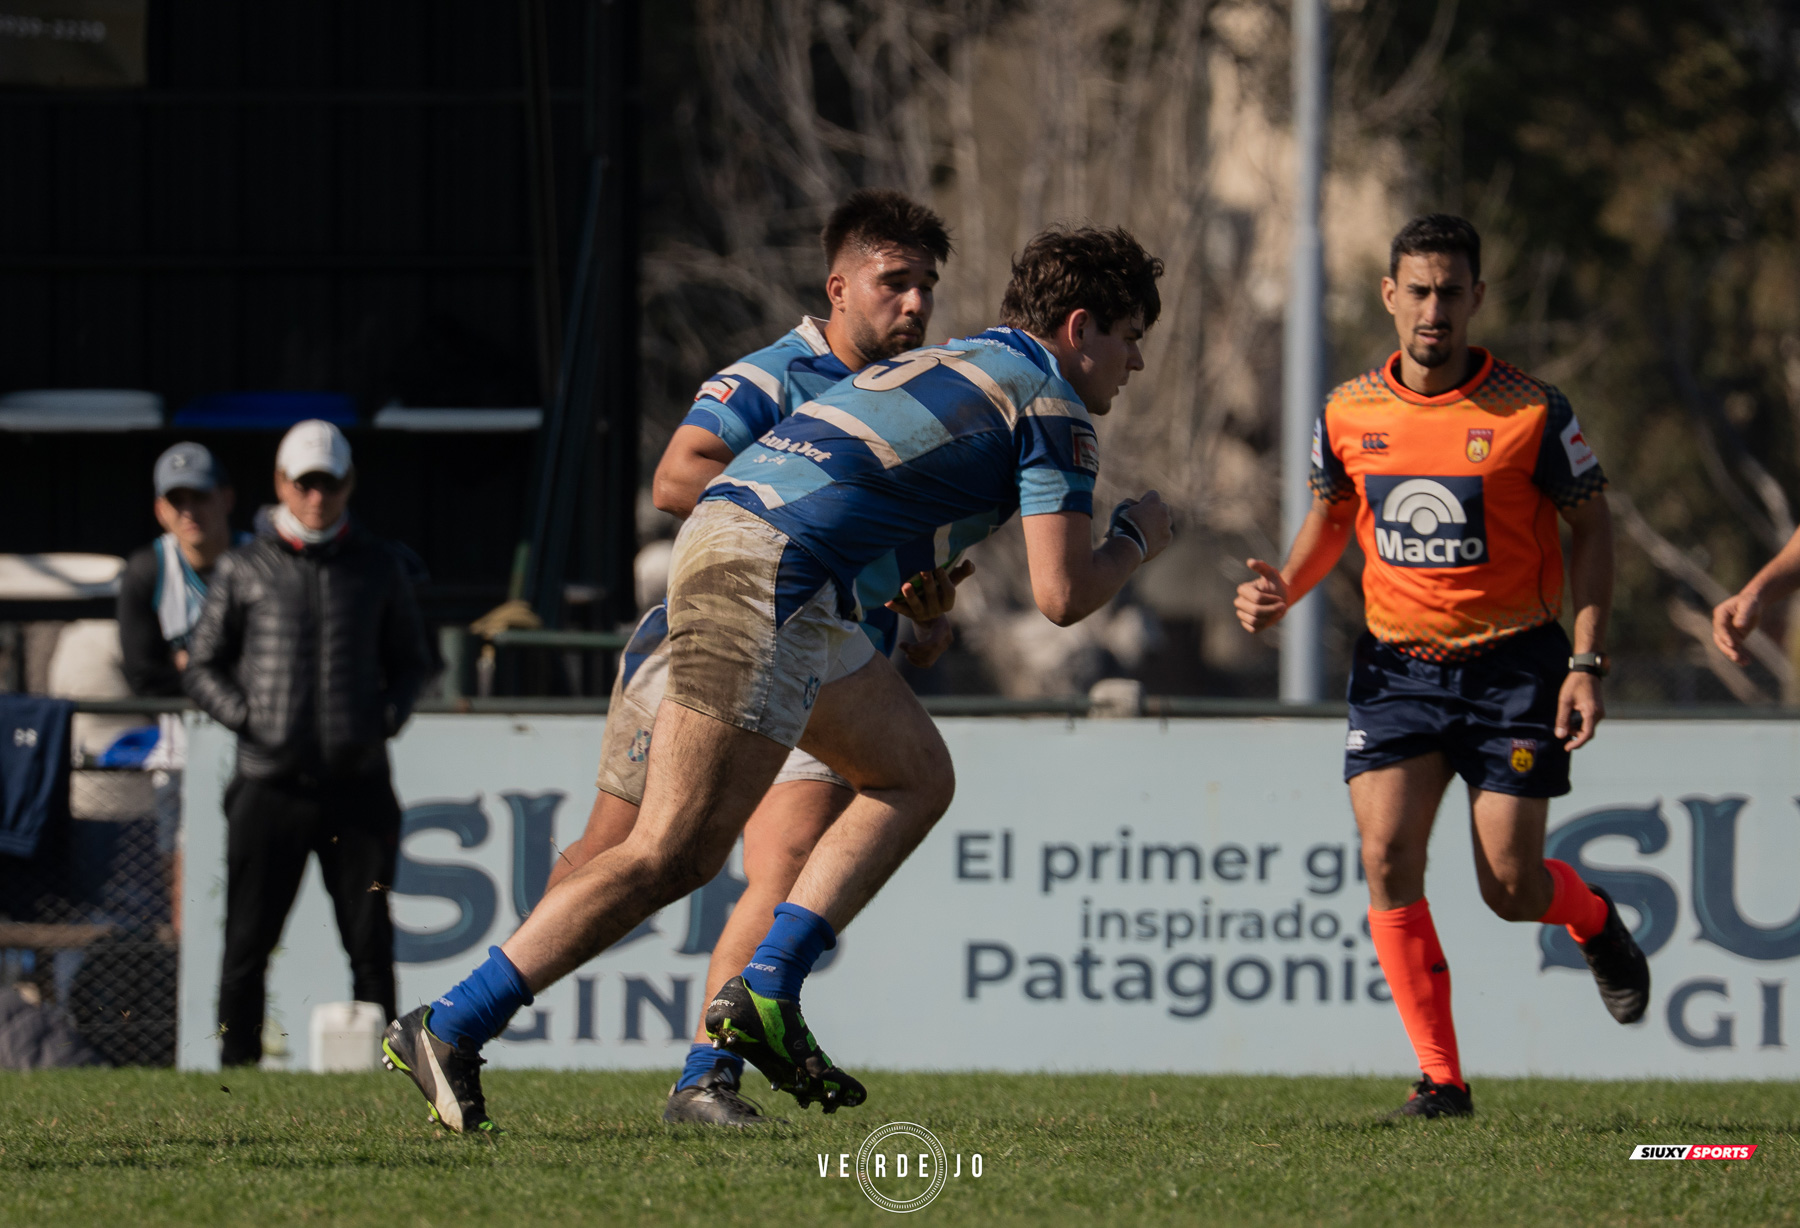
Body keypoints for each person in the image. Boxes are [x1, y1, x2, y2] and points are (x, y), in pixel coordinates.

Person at [383, 225, 1174, 1134]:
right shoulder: (1054, 405)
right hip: (775, 576)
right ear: (1079, 329)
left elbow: (859, 488)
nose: (1138, 360)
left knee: (914, 773)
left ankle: (760, 991)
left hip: (772, 568)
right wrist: (1138, 538)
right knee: (670, 853)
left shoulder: (954, 364)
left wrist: (909, 595)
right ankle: (452, 1022)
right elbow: (1063, 594)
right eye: (1130, 335)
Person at [548, 189, 972, 1127]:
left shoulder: (917, 407)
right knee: (611, 854)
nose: (914, 305)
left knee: (781, 873)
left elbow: (899, 569)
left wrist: (925, 607)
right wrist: (804, 509)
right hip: (708, 637)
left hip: (827, 658)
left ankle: (707, 1076)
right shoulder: (777, 376)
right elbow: (675, 477)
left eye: (926, 288)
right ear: (838, 287)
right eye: (893, 282)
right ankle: (479, 1012)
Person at [1233, 214, 1648, 1119]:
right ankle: (1441, 1081)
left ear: (1477, 300)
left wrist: (1587, 660)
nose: (1433, 310)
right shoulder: (1348, 411)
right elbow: (1334, 520)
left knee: (1509, 889)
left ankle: (1592, 920)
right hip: (1397, 671)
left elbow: (1593, 526)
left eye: (1450, 292)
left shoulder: (1533, 412)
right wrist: (1285, 591)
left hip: (1517, 673)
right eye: (1417, 291)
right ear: (1389, 297)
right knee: (1386, 855)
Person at [185, 419, 433, 1067]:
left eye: (327, 482)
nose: (316, 496)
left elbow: (414, 662)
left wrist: (383, 719)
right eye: (304, 483)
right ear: (280, 484)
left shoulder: (379, 566)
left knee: (370, 945)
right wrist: (251, 716)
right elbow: (201, 666)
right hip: (267, 787)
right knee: (246, 944)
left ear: (348, 483)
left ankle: (390, 1070)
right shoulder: (243, 568)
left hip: (358, 787)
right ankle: (233, 1072)